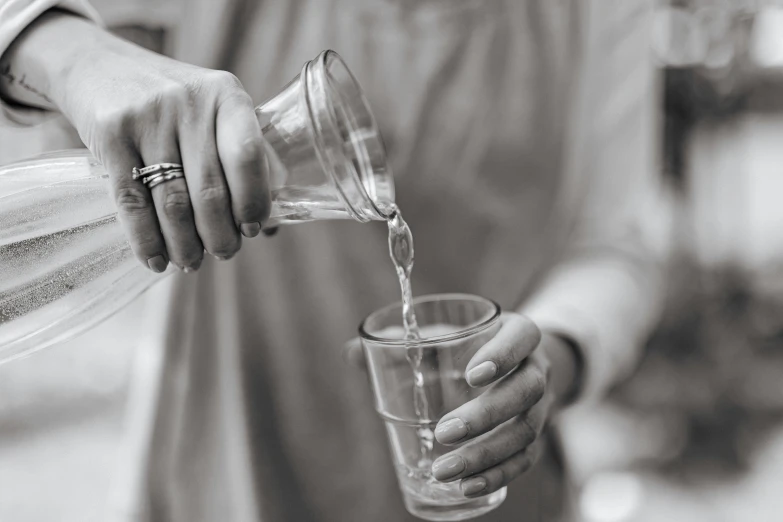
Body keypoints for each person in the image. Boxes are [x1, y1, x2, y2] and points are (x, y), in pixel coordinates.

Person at [0, 0, 670, 521]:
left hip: (498, 488)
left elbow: (614, 245)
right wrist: (80, 56)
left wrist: (550, 357)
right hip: (227, 473)